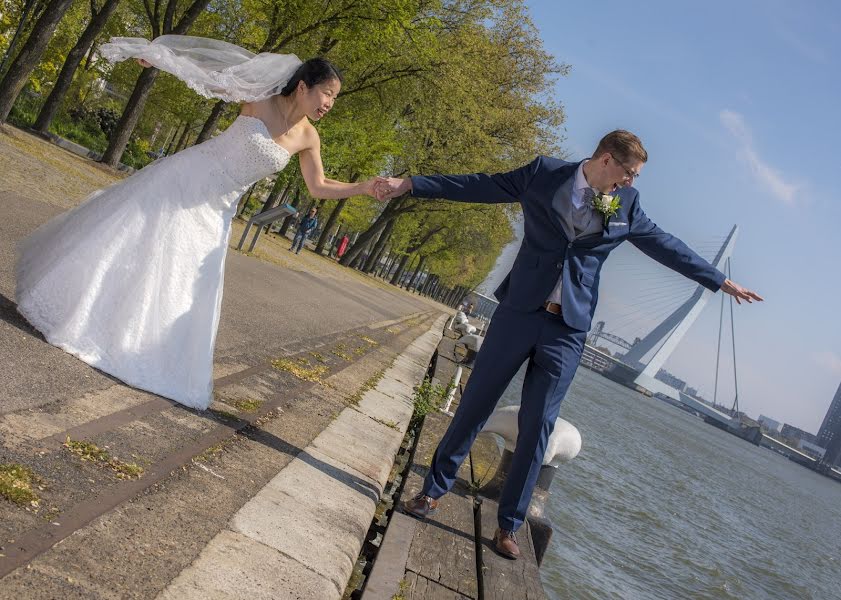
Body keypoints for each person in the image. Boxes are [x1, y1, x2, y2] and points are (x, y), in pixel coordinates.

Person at [375, 130, 763, 560]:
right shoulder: (544, 174)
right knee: (476, 404)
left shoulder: (627, 205)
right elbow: (480, 184)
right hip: (519, 313)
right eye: (629, 173)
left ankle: (509, 525)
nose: (631, 183)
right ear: (606, 160)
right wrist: (411, 183)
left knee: (539, 424)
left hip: (569, 329)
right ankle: (431, 492)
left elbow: (666, 246)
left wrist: (718, 280)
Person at [15, 35, 382, 410]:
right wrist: (158, 57)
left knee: (184, 278)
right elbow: (209, 75)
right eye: (327, 93)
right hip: (186, 178)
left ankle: (138, 348)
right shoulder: (259, 96)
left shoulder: (308, 136)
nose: (329, 104)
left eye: (335, 98)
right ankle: (82, 318)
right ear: (304, 86)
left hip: (218, 207)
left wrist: (364, 187)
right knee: (130, 244)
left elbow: (319, 186)